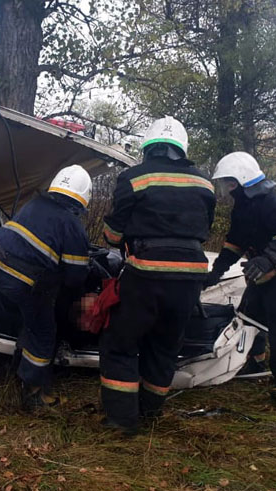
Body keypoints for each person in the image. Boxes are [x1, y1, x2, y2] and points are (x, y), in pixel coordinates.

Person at [100, 116, 216, 434]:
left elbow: (112, 233)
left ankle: (121, 421)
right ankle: (150, 414)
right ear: (182, 148)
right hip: (190, 278)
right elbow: (205, 227)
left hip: (146, 275)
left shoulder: (134, 177)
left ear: (149, 147)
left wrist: (118, 240)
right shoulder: (205, 183)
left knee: (120, 344)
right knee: (164, 347)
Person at [0, 165, 92, 409]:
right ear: (83, 197)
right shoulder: (72, 225)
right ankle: (34, 394)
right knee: (44, 332)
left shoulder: (35, 204)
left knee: (31, 320)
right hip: (20, 280)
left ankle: (17, 368)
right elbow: (75, 278)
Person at [205, 151, 276, 402]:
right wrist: (217, 271)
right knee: (248, 316)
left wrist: (267, 258)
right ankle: (255, 363)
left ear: (239, 181)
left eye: (227, 182)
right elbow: (235, 242)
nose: (225, 188)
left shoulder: (275, 203)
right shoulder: (243, 207)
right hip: (260, 271)